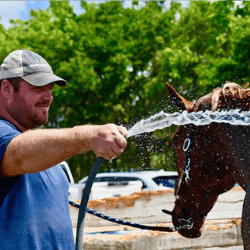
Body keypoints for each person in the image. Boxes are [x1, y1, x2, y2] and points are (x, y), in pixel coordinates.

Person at [0, 49, 127, 249]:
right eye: (38, 87)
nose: (48, 97)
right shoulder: (8, 140)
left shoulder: (48, 157)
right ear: (7, 88)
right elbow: (18, 155)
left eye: (50, 88)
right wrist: (88, 137)